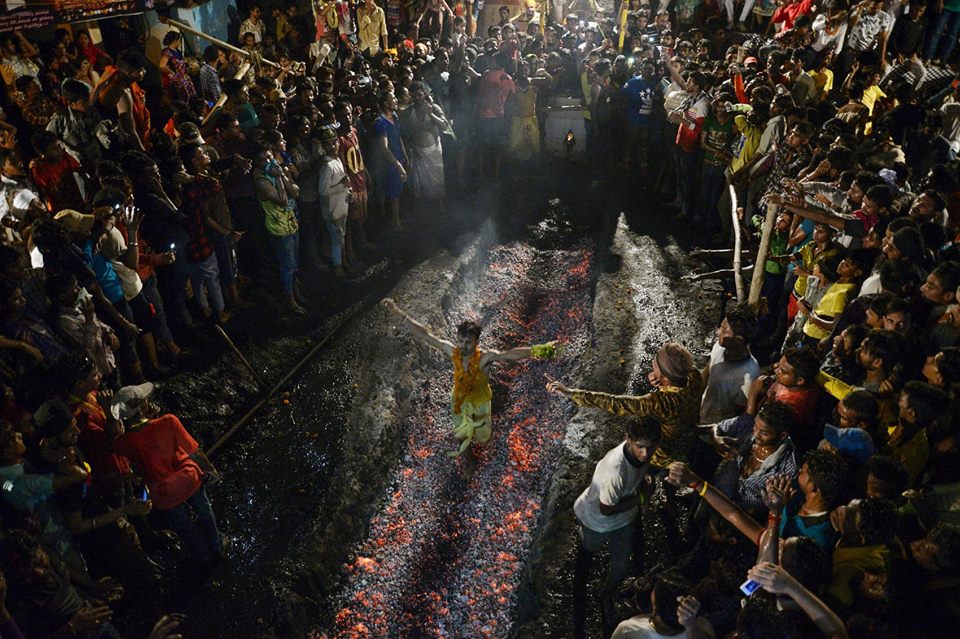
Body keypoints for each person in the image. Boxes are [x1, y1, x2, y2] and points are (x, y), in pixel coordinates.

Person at [380, 297, 555, 476]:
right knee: (462, 436)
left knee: (482, 437)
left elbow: (510, 354)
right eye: (461, 341)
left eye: (468, 342)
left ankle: (483, 446)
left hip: (480, 402)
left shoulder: (485, 358)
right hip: (459, 401)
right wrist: (398, 313)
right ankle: (469, 462)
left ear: (476, 342)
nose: (463, 346)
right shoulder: (452, 351)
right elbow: (425, 335)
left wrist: (540, 349)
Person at [110, 383, 224, 567]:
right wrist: (211, 469)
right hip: (188, 478)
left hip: (163, 492)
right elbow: (195, 452)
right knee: (204, 510)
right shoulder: (168, 421)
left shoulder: (122, 443)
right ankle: (216, 547)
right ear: (142, 407)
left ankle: (203, 557)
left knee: (184, 526)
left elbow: (131, 439)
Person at [546, 341, 704, 468]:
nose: (652, 363)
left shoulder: (661, 403)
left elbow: (616, 403)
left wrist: (570, 393)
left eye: (654, 364)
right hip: (691, 435)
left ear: (663, 375)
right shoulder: (694, 375)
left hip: (666, 454)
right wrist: (661, 380)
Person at [574, 416, 661, 636]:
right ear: (628, 439)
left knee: (621, 567)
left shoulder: (642, 454)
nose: (645, 454)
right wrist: (642, 498)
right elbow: (606, 508)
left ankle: (605, 595)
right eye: (640, 447)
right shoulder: (615, 470)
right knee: (588, 552)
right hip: (597, 520)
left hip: (624, 518)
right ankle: (579, 598)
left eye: (650, 448)